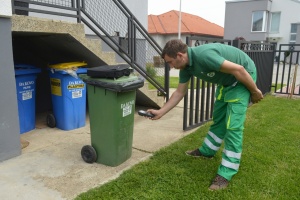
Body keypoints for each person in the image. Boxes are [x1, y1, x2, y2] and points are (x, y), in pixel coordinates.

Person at [147, 39, 263, 190]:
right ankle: (207, 151)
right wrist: (160, 112)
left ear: (180, 55)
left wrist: (254, 91)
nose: (171, 67)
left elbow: (239, 69)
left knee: (233, 126)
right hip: (227, 82)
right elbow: (179, 92)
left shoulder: (204, 56)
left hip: (243, 77)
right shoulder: (186, 67)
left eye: (170, 62)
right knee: (219, 119)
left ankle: (226, 173)